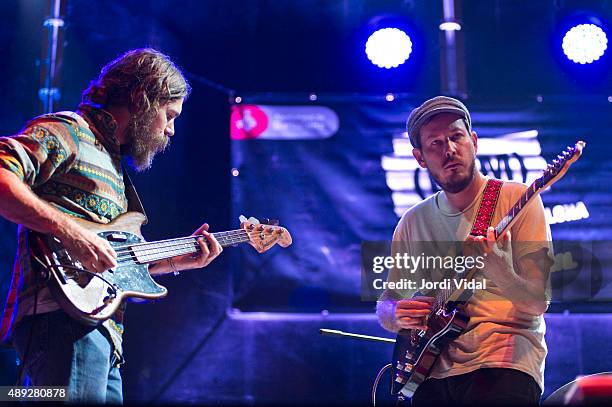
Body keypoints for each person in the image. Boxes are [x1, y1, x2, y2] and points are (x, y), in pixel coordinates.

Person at [0, 48, 223, 403]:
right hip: (64, 322)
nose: (171, 130)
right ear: (143, 98)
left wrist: (182, 260)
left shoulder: (113, 167)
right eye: (169, 115)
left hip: (101, 332)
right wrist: (71, 233)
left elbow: (117, 264)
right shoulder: (69, 131)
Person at [376, 96, 554, 405]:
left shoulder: (518, 199)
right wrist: (396, 314)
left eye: (457, 137)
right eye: (436, 144)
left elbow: (538, 303)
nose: (449, 150)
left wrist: (501, 270)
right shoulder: (412, 222)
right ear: (420, 158)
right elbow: (388, 303)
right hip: (430, 370)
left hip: (504, 364)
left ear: (473, 141)